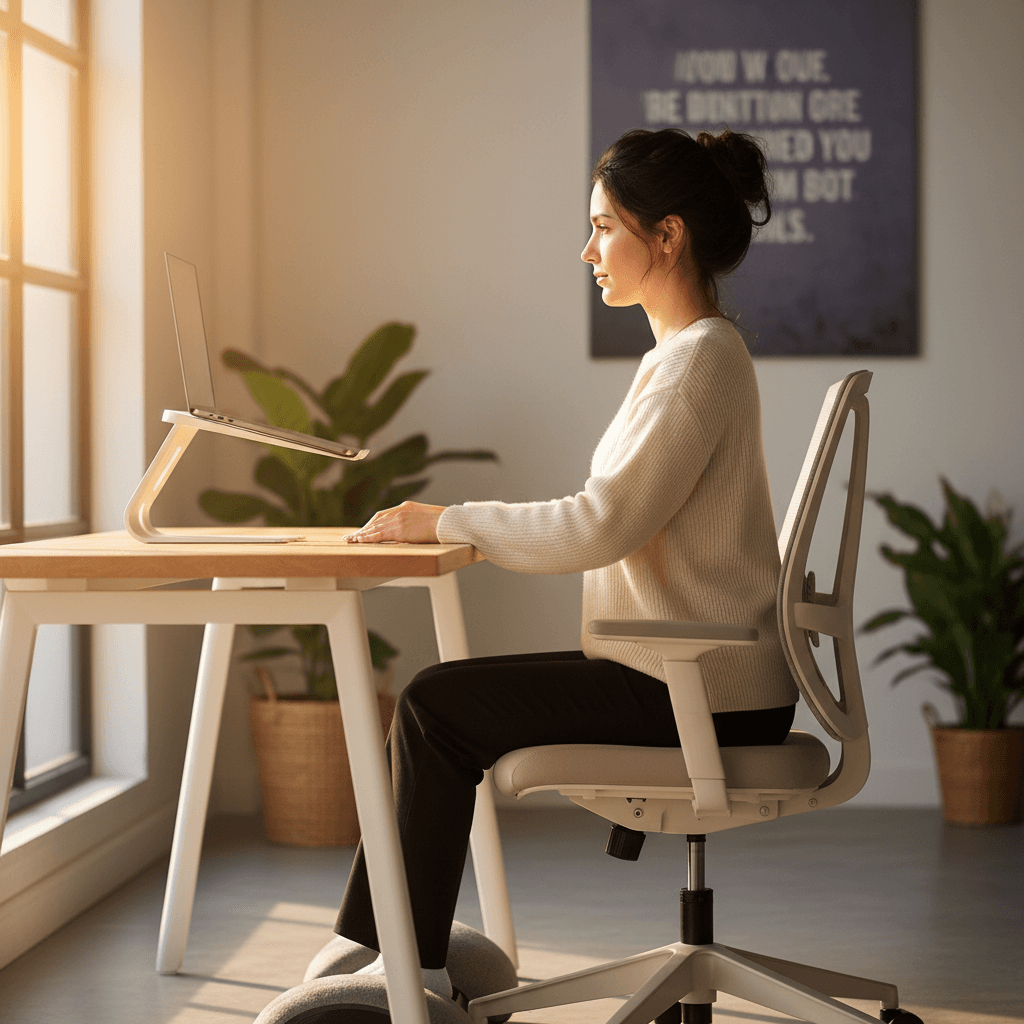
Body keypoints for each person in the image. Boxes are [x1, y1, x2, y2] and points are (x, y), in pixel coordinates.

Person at [337, 126, 799, 998]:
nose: (586, 250)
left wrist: (448, 520)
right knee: (440, 701)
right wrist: (459, 525)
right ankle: (386, 958)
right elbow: (611, 518)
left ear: (668, 236)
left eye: (603, 227)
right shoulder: (688, 356)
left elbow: (598, 526)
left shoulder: (697, 362)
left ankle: (394, 971)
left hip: (697, 688)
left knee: (437, 705)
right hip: (697, 676)